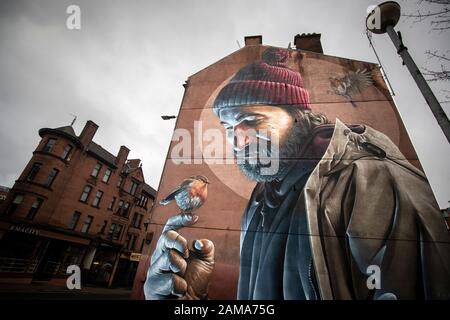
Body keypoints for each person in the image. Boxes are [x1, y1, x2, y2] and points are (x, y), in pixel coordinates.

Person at [144, 47, 450, 300]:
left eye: (250, 119)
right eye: (228, 129)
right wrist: (191, 303)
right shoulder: (261, 200)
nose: (239, 141)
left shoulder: (374, 180)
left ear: (297, 115)